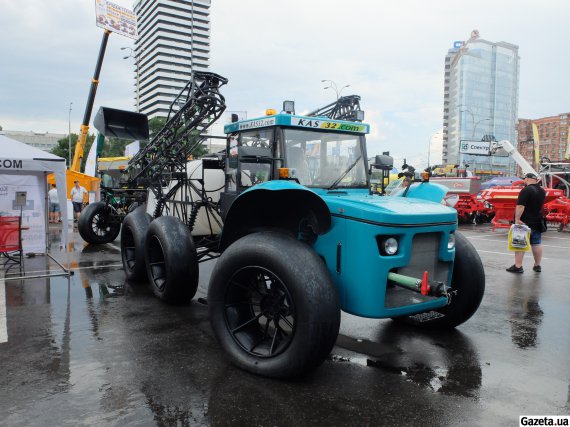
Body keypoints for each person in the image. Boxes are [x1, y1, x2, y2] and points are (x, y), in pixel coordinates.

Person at [506, 173, 546, 273]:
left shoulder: (526, 190)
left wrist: (517, 219)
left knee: (520, 243)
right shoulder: (542, 191)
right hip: (537, 221)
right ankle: (537, 265)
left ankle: (518, 266)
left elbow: (520, 206)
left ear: (527, 179)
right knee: (536, 243)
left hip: (524, 222)